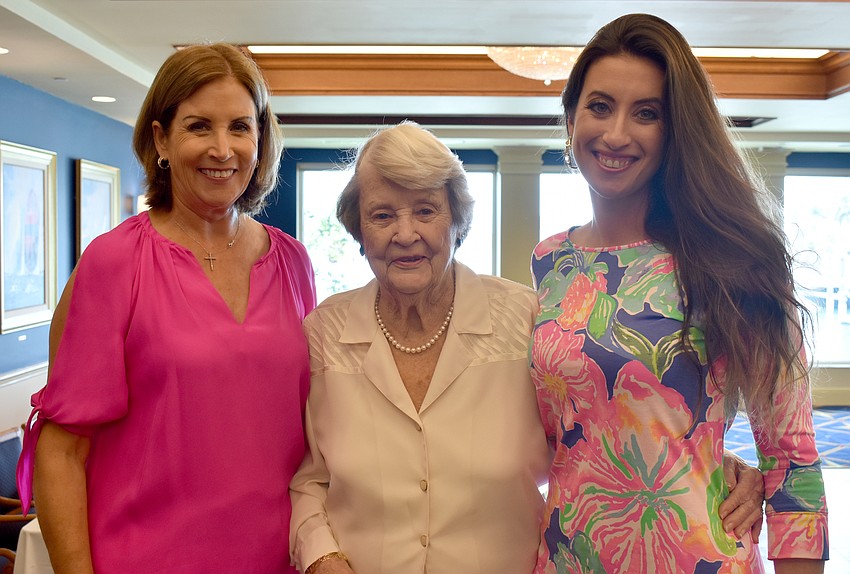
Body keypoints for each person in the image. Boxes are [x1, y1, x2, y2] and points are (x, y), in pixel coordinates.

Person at [288, 121, 765, 574]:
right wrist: (322, 559)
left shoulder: (526, 320)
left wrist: (717, 461)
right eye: (382, 215)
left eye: (426, 210)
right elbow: (309, 480)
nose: (406, 233)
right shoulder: (324, 333)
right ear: (357, 229)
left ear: (457, 221)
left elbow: (600, 422)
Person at [530, 13, 829, 574]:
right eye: (599, 106)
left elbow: (793, 463)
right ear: (571, 116)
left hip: (700, 559)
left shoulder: (736, 261)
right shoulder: (550, 262)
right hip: (569, 558)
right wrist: (705, 451)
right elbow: (567, 428)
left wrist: (710, 454)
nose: (616, 133)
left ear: (675, 132)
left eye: (647, 113)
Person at [16, 43, 315, 573]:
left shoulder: (292, 261)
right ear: (161, 139)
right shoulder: (115, 262)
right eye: (200, 126)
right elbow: (62, 453)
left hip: (278, 557)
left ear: (261, 140)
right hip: (144, 557)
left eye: (240, 127)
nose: (222, 149)